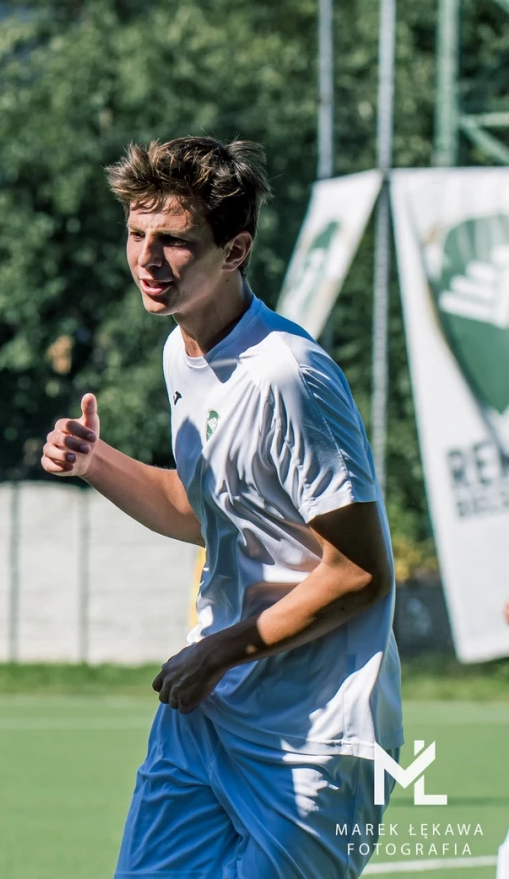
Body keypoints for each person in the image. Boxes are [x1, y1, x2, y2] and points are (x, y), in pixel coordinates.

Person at [42, 137, 403, 878]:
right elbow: (202, 510)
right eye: (137, 234)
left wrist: (216, 651)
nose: (148, 258)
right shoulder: (182, 352)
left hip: (312, 733)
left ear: (235, 251)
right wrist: (96, 461)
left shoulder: (291, 376)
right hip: (206, 713)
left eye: (175, 241)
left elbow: (360, 572)